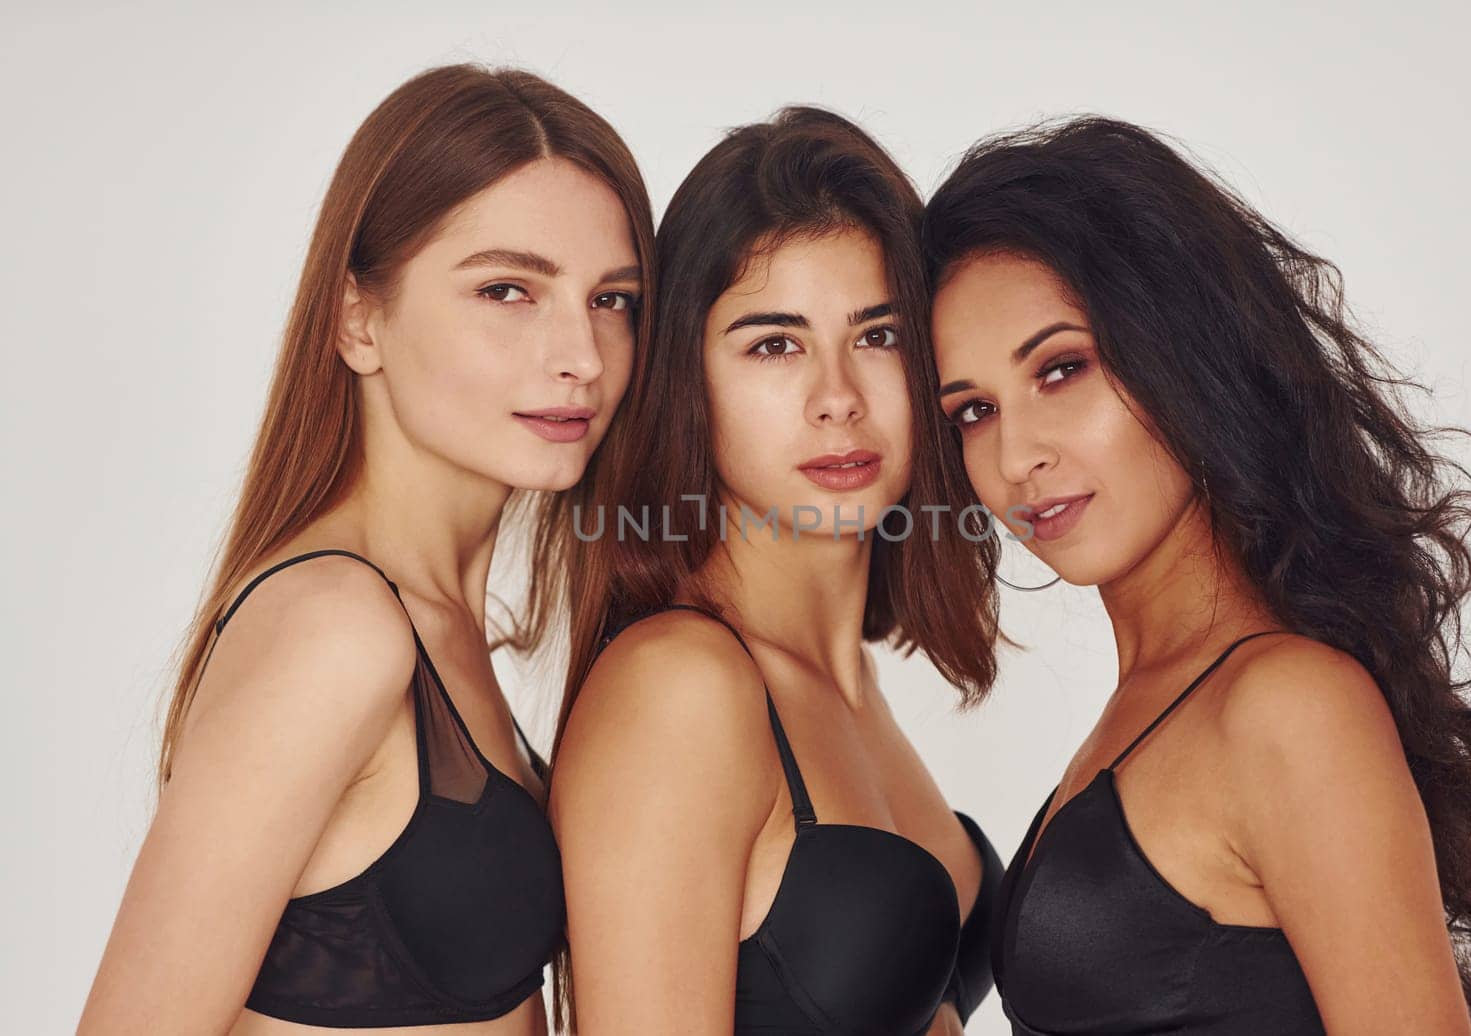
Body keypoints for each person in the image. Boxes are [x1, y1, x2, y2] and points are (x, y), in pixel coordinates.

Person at [924, 116, 1471, 1035]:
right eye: (973, 411)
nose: (1015, 454)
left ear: (1181, 356)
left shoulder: (1288, 705)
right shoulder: (1156, 701)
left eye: (1062, 368)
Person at [78, 64, 653, 1034]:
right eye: (509, 289)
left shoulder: (439, 622)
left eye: (613, 300)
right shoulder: (338, 629)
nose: (583, 356)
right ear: (357, 318)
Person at [548, 107, 1003, 1035]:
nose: (837, 398)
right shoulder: (681, 686)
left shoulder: (852, 682)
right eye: (774, 344)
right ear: (688, 381)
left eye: (877, 336)